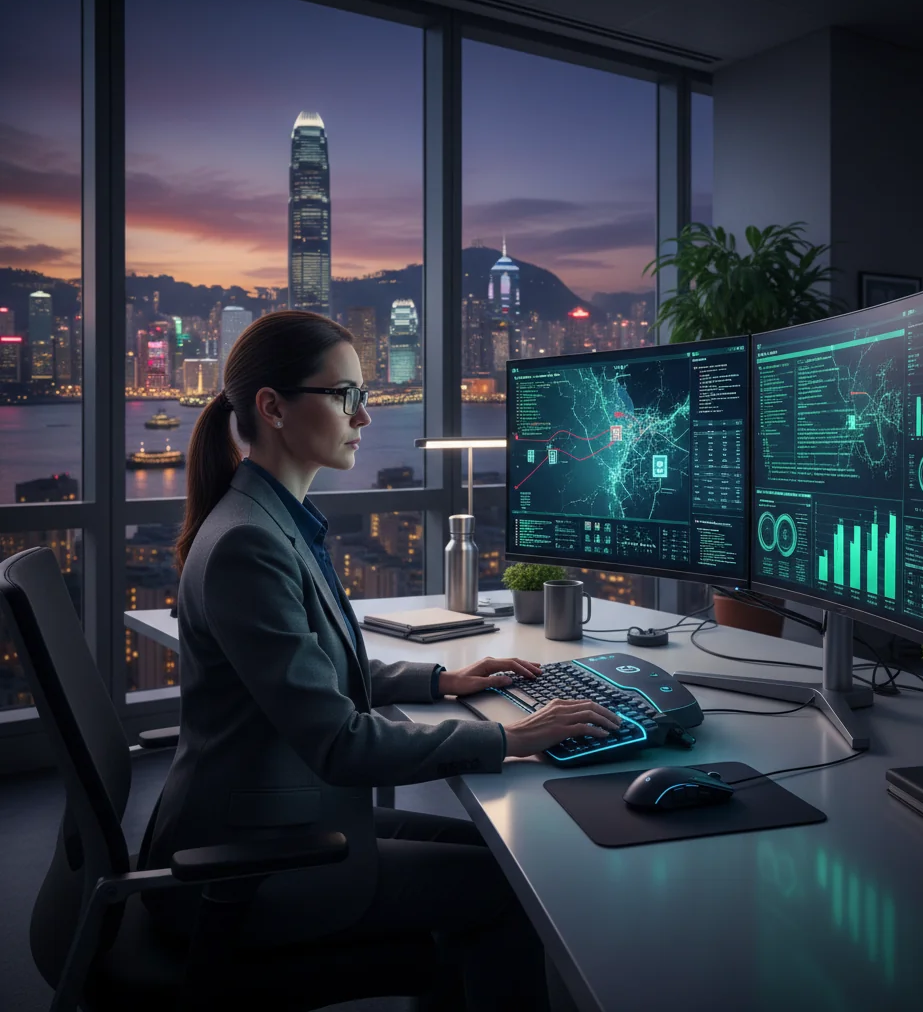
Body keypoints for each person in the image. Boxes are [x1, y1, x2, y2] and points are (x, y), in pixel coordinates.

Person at [140, 310, 620, 1010]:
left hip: (281, 814)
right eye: (345, 396)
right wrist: (509, 737)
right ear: (272, 408)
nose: (364, 417)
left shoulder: (270, 520)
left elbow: (314, 673)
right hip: (249, 863)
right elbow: (339, 743)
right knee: (510, 891)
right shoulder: (250, 544)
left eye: (362, 396)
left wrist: (442, 680)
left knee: (500, 856)